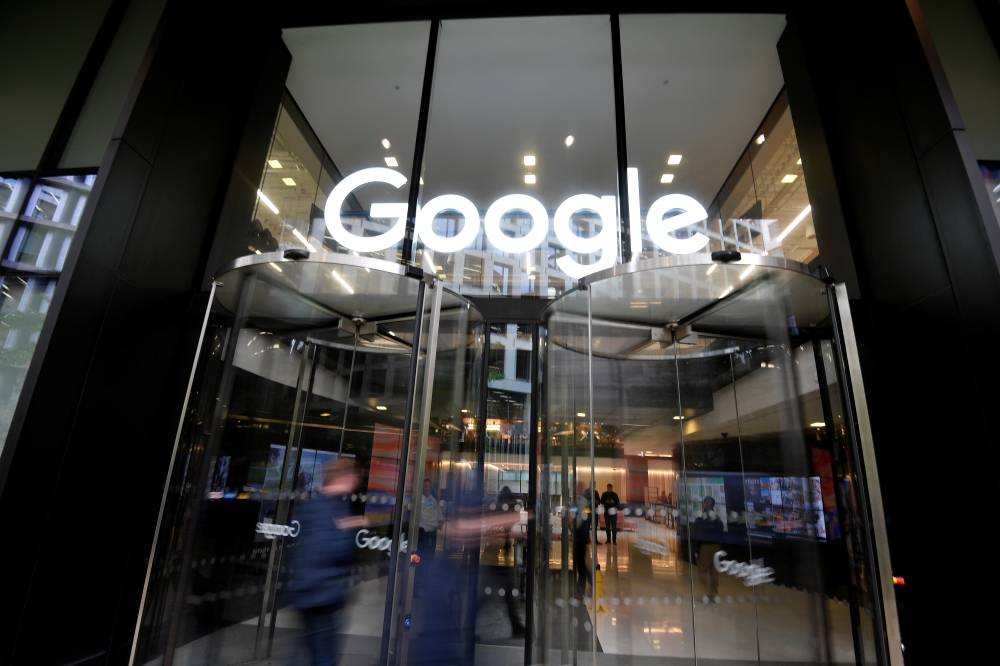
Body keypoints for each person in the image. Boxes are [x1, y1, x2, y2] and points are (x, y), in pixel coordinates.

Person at [286, 458, 362, 666]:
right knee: (324, 658)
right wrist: (349, 529)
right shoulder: (330, 508)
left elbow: (297, 540)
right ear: (343, 477)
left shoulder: (314, 505)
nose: (356, 480)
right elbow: (330, 551)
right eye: (353, 476)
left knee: (312, 652)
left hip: (308, 594)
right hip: (321, 597)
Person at [693, 496, 723, 601]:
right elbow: (721, 533)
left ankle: (707, 592)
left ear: (705, 504)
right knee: (714, 572)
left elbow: (696, 533)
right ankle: (713, 593)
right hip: (716, 547)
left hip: (704, 547)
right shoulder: (718, 518)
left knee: (702, 571)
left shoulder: (700, 518)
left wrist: (696, 550)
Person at [573, 483, 595, 596]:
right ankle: (588, 582)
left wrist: (573, 521)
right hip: (581, 534)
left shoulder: (583, 501)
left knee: (580, 561)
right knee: (580, 561)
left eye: (578, 487)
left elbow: (581, 520)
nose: (577, 489)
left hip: (581, 534)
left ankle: (582, 587)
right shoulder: (581, 500)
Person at [418, 478, 444, 562]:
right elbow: (425, 517)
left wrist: (441, 519)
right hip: (423, 533)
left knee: (430, 556)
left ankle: (426, 574)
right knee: (422, 556)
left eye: (429, 486)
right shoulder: (419, 500)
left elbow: (438, 510)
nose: (428, 488)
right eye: (426, 487)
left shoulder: (431, 499)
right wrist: (437, 523)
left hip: (431, 534)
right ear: (422, 488)